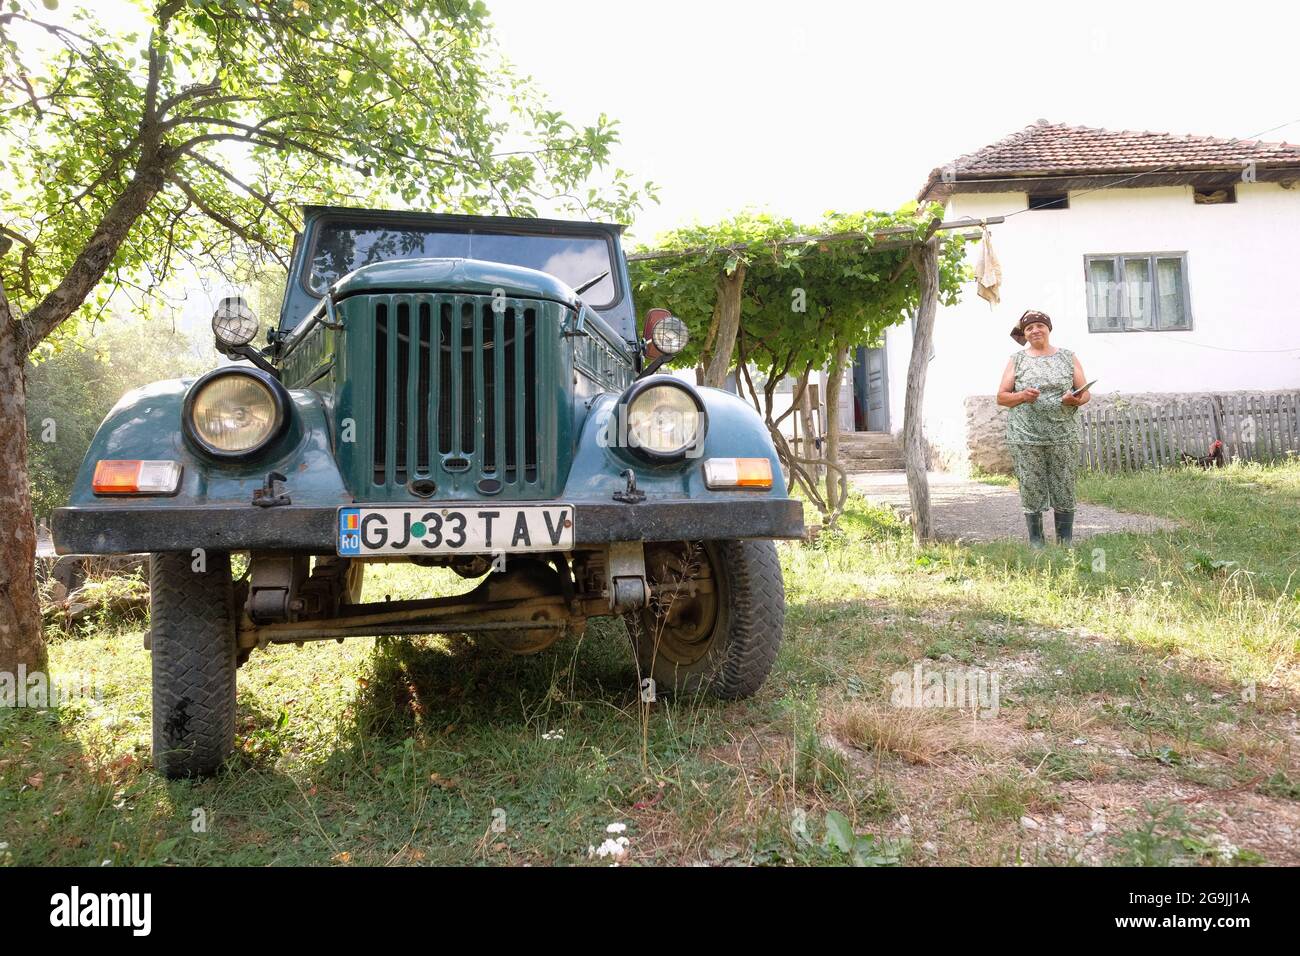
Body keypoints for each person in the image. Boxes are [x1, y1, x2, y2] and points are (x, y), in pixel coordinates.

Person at [996, 310, 1091, 547]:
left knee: (1064, 482)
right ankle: (1036, 541)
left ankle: (1065, 540)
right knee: (1030, 484)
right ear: (1025, 334)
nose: (1035, 330)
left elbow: (1085, 392)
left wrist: (1075, 399)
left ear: (1048, 329)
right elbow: (1001, 397)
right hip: (1026, 435)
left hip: (1063, 434)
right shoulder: (1017, 359)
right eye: (1029, 328)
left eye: (1040, 325)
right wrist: (1022, 395)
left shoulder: (1068, 357)